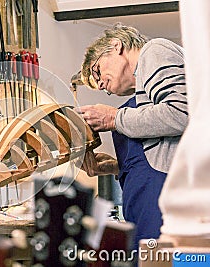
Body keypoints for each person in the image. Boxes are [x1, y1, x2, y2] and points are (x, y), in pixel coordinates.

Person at [78, 23, 188, 252]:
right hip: (145, 213)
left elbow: (182, 112)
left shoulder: (154, 51)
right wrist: (118, 167)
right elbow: (165, 150)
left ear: (115, 46)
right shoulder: (144, 94)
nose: (100, 84)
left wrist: (113, 119)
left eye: (97, 71)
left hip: (163, 210)